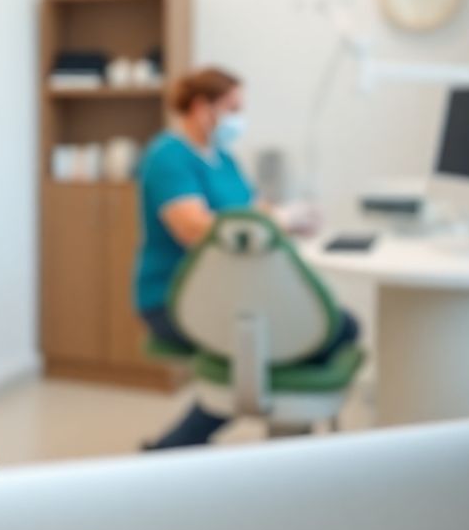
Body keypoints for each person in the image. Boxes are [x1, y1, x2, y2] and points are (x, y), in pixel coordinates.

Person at [134, 67, 357, 449]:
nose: (239, 118)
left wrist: (290, 218)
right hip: (175, 299)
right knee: (323, 333)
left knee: (335, 327)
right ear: (204, 108)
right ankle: (180, 449)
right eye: (233, 107)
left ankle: (175, 448)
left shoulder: (224, 158)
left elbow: (253, 215)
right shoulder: (167, 156)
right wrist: (277, 219)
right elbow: (195, 229)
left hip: (234, 294)